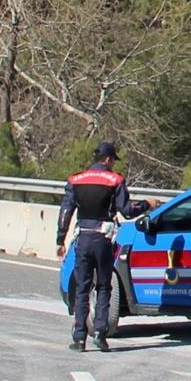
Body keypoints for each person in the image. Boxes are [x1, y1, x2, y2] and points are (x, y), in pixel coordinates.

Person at [57, 142, 130, 352]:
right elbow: (126, 210)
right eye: (113, 160)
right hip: (103, 240)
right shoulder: (115, 180)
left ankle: (79, 337)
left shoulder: (75, 180)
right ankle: (100, 333)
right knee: (104, 286)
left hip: (83, 238)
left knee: (82, 287)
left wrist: (60, 239)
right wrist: (148, 205)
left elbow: (65, 212)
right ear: (108, 159)